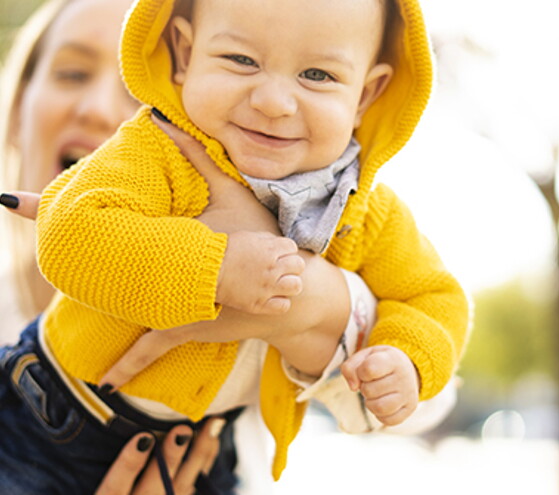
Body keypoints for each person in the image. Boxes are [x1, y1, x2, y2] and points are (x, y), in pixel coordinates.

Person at [1, 0, 470, 492]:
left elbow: (434, 298)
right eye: (241, 61)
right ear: (183, 56)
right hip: (47, 422)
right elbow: (68, 232)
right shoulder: (157, 152)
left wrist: (408, 356)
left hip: (199, 454)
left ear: (366, 95)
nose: (273, 100)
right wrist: (219, 266)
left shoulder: (361, 208)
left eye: (317, 74)